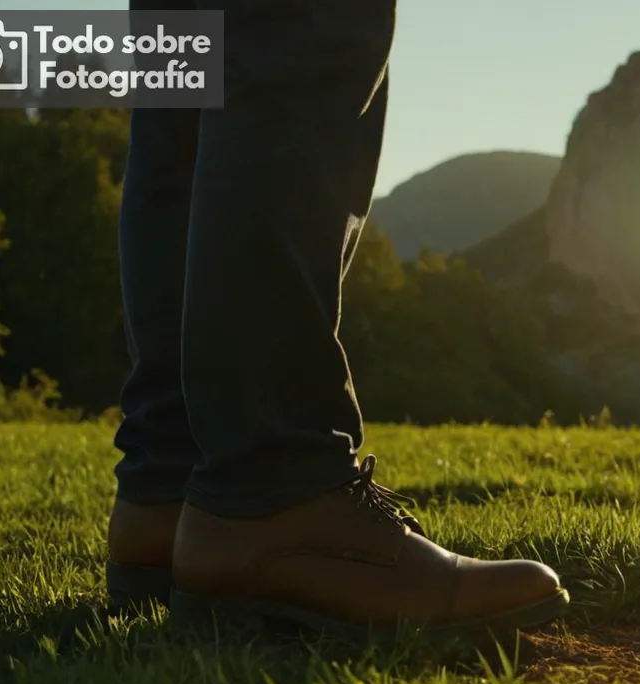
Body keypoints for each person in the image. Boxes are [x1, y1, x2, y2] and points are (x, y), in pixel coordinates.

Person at [104, 0, 568, 636]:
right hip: (261, 485)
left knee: (185, 77)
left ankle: (170, 489)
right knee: (305, 25)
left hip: (169, 479)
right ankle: (275, 485)